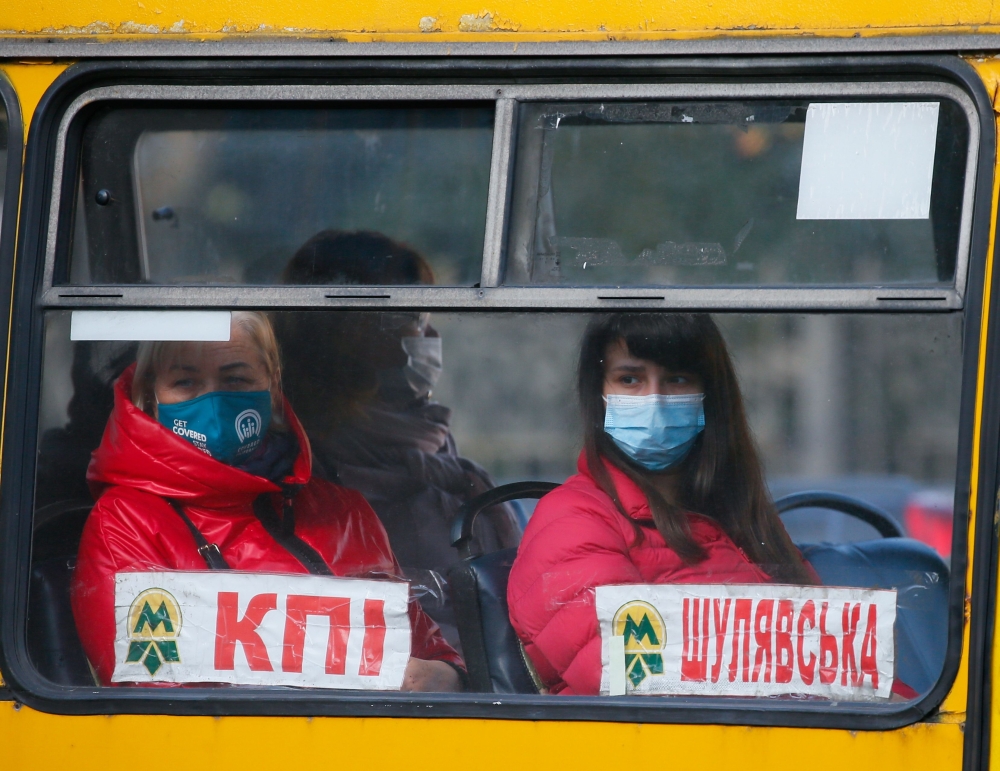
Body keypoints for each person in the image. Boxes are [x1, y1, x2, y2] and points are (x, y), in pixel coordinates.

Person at [70, 311, 464, 692]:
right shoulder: (124, 522)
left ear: (273, 386)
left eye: (236, 379)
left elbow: (426, 647)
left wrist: (444, 676)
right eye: (186, 382)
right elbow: (154, 699)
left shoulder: (345, 513)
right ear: (151, 394)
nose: (214, 402)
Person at [506, 313, 819, 696]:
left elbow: (840, 655)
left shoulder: (737, 514)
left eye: (677, 379)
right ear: (598, 394)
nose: (654, 398)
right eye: (630, 379)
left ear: (710, 394)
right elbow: (632, 675)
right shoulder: (573, 520)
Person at [275, 230, 520, 647]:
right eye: (411, 319)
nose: (428, 338)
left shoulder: (431, 444)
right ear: (345, 334)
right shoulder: (300, 461)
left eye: (425, 318)